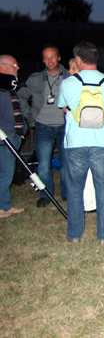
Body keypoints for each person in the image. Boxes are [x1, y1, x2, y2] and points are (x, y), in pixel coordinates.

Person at [58, 42, 104, 244]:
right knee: (103, 189)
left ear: (78, 60)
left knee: (75, 190)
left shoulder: (68, 83)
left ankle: (74, 235)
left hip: (75, 143)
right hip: (102, 143)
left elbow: (63, 108)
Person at [18, 45, 70, 207]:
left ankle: (66, 193)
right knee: (44, 164)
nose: (50, 60)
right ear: (42, 60)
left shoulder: (69, 77)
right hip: (43, 126)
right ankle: (45, 194)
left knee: (66, 163)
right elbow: (21, 95)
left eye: (53, 56)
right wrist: (29, 115)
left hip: (64, 125)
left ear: (59, 58)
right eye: (46, 57)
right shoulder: (35, 79)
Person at [68, 58, 97, 212]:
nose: (70, 72)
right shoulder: (69, 85)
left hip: (86, 135)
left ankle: (90, 203)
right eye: (69, 69)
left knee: (89, 170)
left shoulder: (85, 87)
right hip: (75, 135)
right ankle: (83, 201)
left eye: (73, 68)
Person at [0, 54, 26, 219]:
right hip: (5, 138)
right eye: (13, 65)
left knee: (5, 171)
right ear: (1, 67)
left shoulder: (9, 86)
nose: (17, 67)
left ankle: (5, 206)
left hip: (14, 135)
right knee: (6, 173)